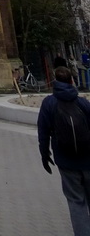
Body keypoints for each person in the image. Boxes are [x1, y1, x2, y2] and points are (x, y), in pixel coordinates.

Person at [38, 65, 90, 235]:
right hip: (88, 159)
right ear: (71, 80)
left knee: (76, 201)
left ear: (54, 82)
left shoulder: (49, 103)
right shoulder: (82, 102)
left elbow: (43, 131)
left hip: (66, 160)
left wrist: (45, 154)